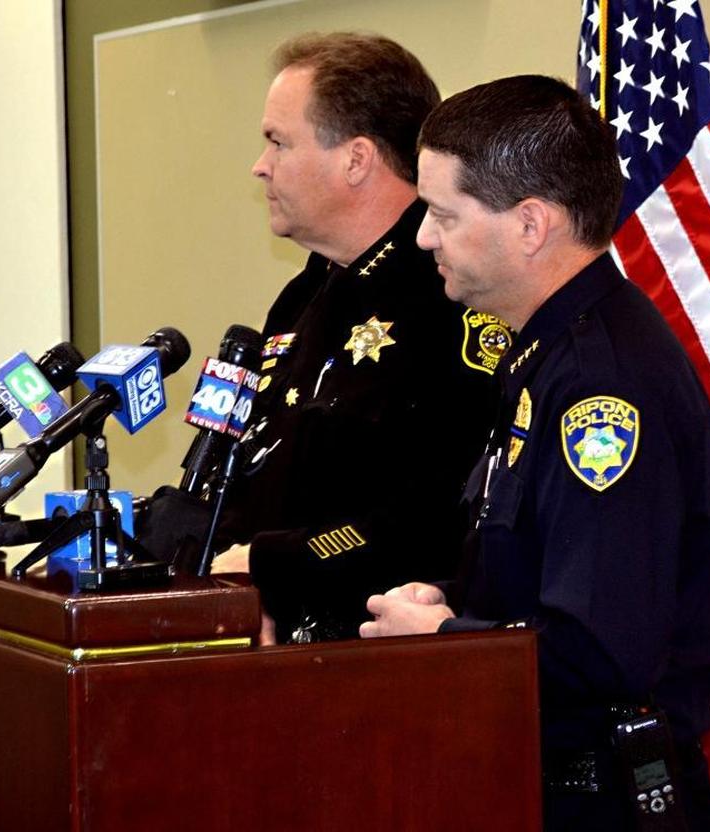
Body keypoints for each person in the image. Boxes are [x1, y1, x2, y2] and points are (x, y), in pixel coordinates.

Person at [359, 75, 710, 831]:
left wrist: (441, 642)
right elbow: (533, 568)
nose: (422, 237)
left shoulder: (604, 386)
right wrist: (451, 599)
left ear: (531, 224)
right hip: (537, 786)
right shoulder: (546, 354)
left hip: (599, 803)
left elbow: (598, 650)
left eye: (441, 214)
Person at [207, 33, 508, 645]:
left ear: (356, 159)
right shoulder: (302, 298)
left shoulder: (449, 298)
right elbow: (257, 471)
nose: (260, 166)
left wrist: (272, 568)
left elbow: (438, 519)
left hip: (380, 660)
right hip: (272, 652)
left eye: (278, 142)